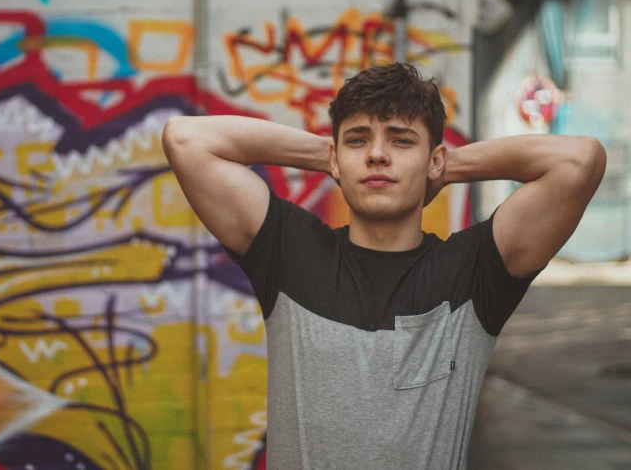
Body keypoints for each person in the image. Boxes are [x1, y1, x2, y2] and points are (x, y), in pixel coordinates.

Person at [161, 63, 606, 469]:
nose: (377, 155)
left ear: (434, 158)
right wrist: (329, 155)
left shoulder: (474, 271)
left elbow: (578, 160)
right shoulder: (288, 251)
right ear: (335, 157)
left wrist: (444, 168)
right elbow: (186, 139)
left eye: (400, 140)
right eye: (357, 140)